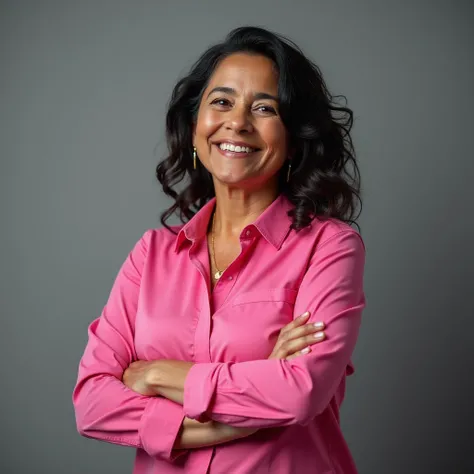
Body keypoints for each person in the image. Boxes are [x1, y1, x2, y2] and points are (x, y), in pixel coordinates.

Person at [72, 26, 366, 474]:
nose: (238, 122)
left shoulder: (329, 248)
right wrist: (244, 409)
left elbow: (300, 392)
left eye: (264, 108)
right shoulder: (149, 257)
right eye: (221, 102)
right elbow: (92, 402)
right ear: (195, 128)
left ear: (293, 138)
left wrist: (155, 374)